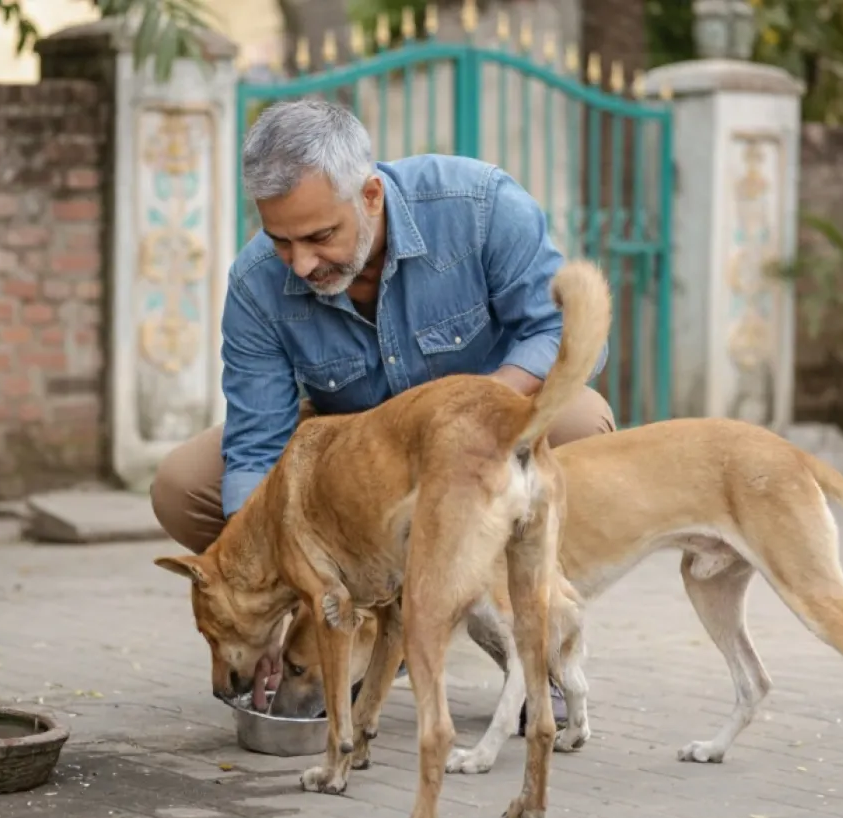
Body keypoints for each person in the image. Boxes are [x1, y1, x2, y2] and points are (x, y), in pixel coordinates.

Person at [150, 99, 616, 728]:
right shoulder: (256, 283)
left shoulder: (477, 206)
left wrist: (472, 416)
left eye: (320, 237)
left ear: (370, 196)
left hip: (492, 439)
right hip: (358, 466)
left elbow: (564, 332)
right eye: (282, 241)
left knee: (582, 425)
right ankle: (360, 625)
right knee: (185, 485)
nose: (302, 263)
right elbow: (258, 442)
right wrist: (269, 584)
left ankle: (536, 645)